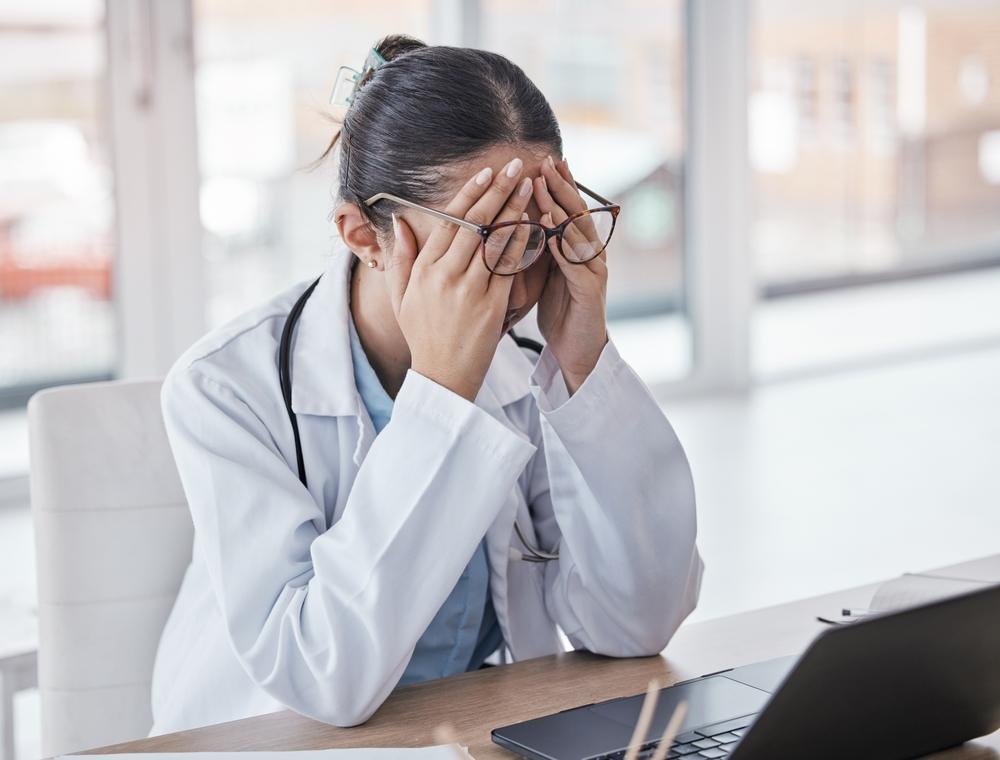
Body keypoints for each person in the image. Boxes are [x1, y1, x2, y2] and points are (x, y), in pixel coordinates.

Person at [149, 33, 703, 735]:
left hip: (464, 730)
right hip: (274, 740)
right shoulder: (224, 389)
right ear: (363, 235)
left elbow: (636, 623)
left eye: (537, 235)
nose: (519, 276)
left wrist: (583, 364)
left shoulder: (530, 363)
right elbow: (326, 679)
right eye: (482, 238)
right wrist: (441, 397)